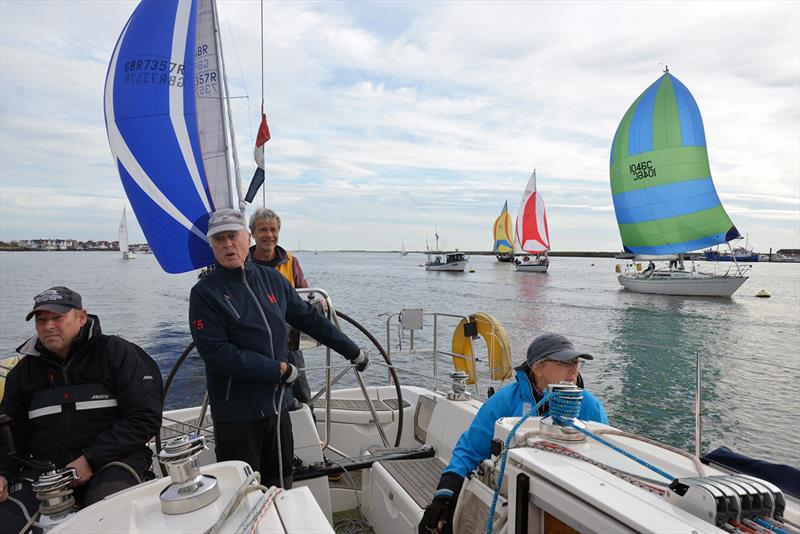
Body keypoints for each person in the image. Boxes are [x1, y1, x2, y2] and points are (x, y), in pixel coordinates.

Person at [189, 208, 369, 489]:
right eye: (219, 239)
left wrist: (351, 349)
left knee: (282, 485)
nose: (227, 245)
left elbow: (309, 319)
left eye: (232, 237)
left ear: (245, 238)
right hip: (236, 415)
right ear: (212, 245)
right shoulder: (204, 293)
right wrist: (279, 370)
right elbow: (218, 355)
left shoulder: (273, 280)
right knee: (244, 493)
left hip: (276, 409)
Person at [0, 287, 163, 531]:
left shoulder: (116, 354)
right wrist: (2, 472)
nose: (48, 326)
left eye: (57, 318)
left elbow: (144, 418)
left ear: (82, 317)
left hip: (113, 463)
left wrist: (90, 459)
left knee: (107, 516)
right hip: (46, 474)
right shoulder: (22, 375)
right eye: (41, 320)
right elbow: (11, 437)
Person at [419, 333, 608, 534]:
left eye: (576, 362)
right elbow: (470, 450)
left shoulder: (590, 407)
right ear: (538, 368)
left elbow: (605, 461)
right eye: (565, 362)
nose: (573, 369)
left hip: (568, 505)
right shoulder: (505, 402)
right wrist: (445, 496)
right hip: (510, 497)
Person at [248, 208, 311, 411]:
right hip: (255, 340)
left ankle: (311, 433)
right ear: (253, 234)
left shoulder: (291, 262)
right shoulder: (243, 263)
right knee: (261, 391)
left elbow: (304, 295)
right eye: (263, 230)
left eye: (273, 229)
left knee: (300, 389)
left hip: (289, 338)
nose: (269, 235)